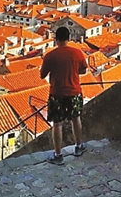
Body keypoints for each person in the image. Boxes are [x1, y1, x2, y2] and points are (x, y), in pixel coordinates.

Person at [39, 26, 88, 165]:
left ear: (56, 40)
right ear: (69, 38)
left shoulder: (50, 56)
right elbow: (83, 70)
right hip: (74, 91)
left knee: (57, 124)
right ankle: (79, 146)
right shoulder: (77, 53)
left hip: (57, 93)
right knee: (76, 119)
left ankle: (58, 154)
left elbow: (42, 75)